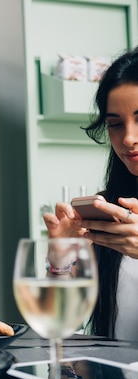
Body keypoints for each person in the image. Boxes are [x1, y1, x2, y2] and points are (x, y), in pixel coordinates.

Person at [43, 46, 138, 341]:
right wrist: (62, 255)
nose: (128, 138)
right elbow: (57, 323)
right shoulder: (108, 210)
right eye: (115, 124)